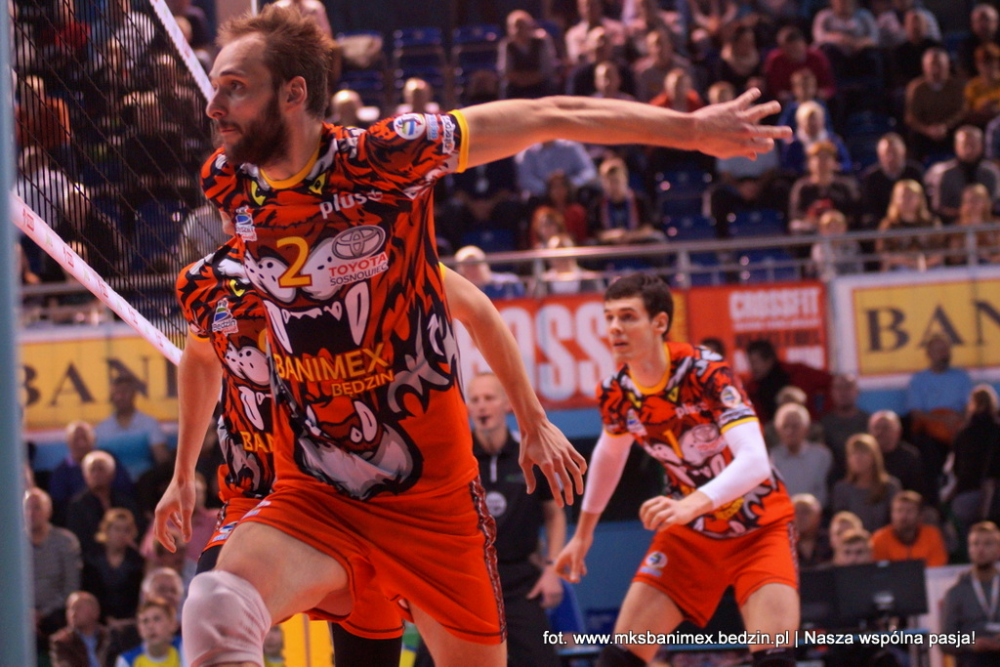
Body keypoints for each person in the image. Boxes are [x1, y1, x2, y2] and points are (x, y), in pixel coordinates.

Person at [181, 6, 786, 665]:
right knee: (215, 605)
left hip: (433, 503)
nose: (214, 105)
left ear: (294, 93)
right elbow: (208, 344)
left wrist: (692, 130)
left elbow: (550, 114)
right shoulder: (227, 182)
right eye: (216, 86)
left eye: (235, 86)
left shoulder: (385, 157)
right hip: (316, 495)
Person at [556, 274, 799, 667]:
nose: (615, 327)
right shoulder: (616, 392)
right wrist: (583, 535)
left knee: (775, 660)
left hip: (758, 527)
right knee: (618, 660)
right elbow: (610, 454)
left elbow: (755, 461)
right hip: (691, 535)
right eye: (609, 317)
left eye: (628, 316)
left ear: (660, 323)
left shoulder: (706, 371)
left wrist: (690, 504)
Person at [416, 372, 566, 667]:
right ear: (467, 408)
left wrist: (553, 569)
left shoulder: (532, 452)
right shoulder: (455, 455)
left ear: (507, 404)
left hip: (519, 580)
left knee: (542, 660)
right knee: (429, 660)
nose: (482, 405)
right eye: (475, 400)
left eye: (489, 398)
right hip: (465, 578)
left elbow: (554, 514)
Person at [26, 487, 82, 653]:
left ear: (48, 512)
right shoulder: (11, 544)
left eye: (37, 508)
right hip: (20, 611)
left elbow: (71, 587)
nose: (31, 513)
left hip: (56, 612)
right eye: (27, 508)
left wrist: (42, 613)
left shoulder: (65, 541)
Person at [941, 521, 1000, 666]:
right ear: (969, 549)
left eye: (987, 544)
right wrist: (971, 644)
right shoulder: (956, 593)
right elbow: (945, 641)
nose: (980, 549)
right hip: (972, 658)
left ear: (998, 549)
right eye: (975, 544)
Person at [744, 339, 832, 424]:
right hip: (771, 432)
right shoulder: (751, 389)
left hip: (806, 426)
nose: (752, 368)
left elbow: (831, 382)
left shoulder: (798, 373)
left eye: (754, 362)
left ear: (769, 360)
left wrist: (823, 413)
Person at [924, 125, 1000, 223]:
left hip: (987, 225)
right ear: (956, 146)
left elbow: (996, 204)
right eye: (965, 145)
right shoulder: (943, 174)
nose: (969, 149)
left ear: (981, 145)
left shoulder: (991, 172)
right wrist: (963, 214)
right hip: (951, 226)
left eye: (973, 144)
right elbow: (937, 208)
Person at [82, 508, 144, 623]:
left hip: (128, 621)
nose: (121, 534)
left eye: (126, 530)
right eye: (117, 529)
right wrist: (105, 618)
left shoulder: (137, 561)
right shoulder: (92, 559)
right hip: (96, 619)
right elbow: (90, 593)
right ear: (106, 530)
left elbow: (135, 597)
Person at [94, 375, 169, 467]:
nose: (120, 397)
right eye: (116, 393)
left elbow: (162, 459)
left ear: (134, 394)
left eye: (124, 392)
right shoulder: (101, 429)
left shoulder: (150, 424)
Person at [831, 433, 901, 532]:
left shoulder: (890, 486)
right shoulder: (841, 489)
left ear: (874, 457)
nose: (857, 458)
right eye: (853, 454)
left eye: (863, 453)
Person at [769, 403, 832, 507]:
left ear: (806, 429)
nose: (789, 431)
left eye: (795, 426)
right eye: (785, 426)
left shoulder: (822, 456)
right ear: (778, 430)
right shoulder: (770, 459)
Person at [875, 179, 943, 271]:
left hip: (929, 268)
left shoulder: (931, 223)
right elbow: (883, 254)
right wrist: (909, 263)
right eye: (903, 196)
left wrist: (924, 265)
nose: (907, 200)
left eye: (911, 196)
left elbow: (940, 252)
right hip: (900, 268)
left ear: (920, 199)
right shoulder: (889, 225)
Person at [870, 491, 948, 566]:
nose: (903, 516)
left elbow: (937, 567)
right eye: (899, 510)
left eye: (909, 511)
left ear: (920, 515)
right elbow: (880, 569)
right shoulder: (879, 538)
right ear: (891, 514)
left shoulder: (932, 535)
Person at [821, 375, 869, 483]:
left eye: (847, 387)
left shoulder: (868, 422)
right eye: (838, 388)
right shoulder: (824, 424)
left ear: (857, 391)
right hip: (834, 481)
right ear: (832, 392)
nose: (842, 392)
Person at [868, 410, 924, 496]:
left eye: (885, 428)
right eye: (876, 428)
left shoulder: (909, 457)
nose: (880, 432)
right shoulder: (865, 455)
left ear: (898, 431)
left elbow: (916, 490)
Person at [113, 598, 184, 667]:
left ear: (173, 624)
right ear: (139, 629)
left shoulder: (184, 649)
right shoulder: (126, 661)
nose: (150, 626)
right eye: (145, 621)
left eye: (157, 619)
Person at [49, 591, 111, 667]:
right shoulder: (62, 641)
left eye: (78, 608)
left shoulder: (109, 637)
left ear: (95, 612)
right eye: (70, 609)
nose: (73, 614)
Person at [793, 493, 833, 568]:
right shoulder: (782, 546)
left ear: (819, 516)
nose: (800, 517)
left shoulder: (832, 543)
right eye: (795, 512)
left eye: (805, 512)